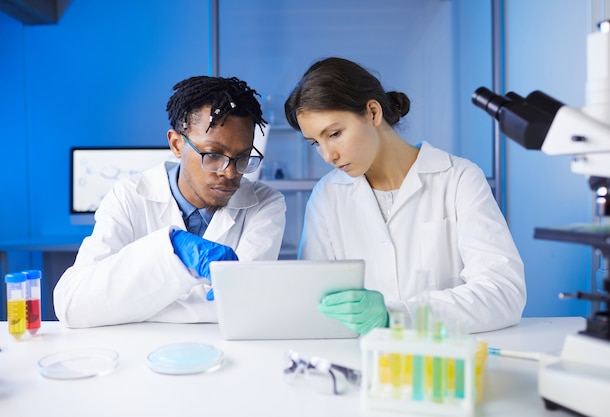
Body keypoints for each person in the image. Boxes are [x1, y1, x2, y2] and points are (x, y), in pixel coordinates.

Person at [284, 57, 526, 335]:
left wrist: (397, 315)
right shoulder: (327, 196)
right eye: (316, 143)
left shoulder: (459, 178)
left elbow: (503, 293)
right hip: (364, 360)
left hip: (444, 362)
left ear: (373, 112)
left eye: (335, 133)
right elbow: (315, 302)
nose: (328, 155)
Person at [54, 76, 286, 328]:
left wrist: (130, 304)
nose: (230, 173)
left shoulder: (265, 204)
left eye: (242, 158)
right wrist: (172, 250)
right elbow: (73, 305)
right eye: (213, 155)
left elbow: (243, 303)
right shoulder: (129, 196)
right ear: (177, 144)